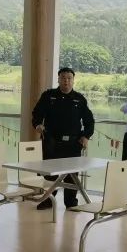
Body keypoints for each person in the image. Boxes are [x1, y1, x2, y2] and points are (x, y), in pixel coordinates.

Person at [31, 67, 95, 209]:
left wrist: (86, 136)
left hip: (73, 143)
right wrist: (37, 125)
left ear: (73, 80)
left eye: (69, 78)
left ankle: (71, 203)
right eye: (63, 78)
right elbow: (37, 113)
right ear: (58, 80)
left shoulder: (79, 99)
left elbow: (89, 121)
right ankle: (48, 200)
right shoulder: (48, 96)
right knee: (50, 174)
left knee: (72, 175)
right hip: (52, 142)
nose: (66, 81)